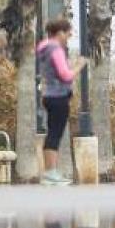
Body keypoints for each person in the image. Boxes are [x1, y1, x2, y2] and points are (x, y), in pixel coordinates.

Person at [36, 18, 87, 186]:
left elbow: (57, 70)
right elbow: (66, 75)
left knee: (53, 133)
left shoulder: (44, 48)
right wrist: (79, 66)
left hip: (49, 95)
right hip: (58, 96)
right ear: (59, 33)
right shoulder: (55, 49)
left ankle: (51, 172)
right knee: (55, 134)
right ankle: (50, 173)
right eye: (67, 32)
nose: (69, 36)